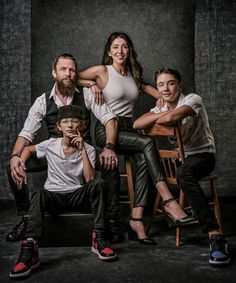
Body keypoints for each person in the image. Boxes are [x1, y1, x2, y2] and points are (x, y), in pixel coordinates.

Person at [78, 32, 192, 245]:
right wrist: (91, 84)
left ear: (129, 50)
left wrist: (165, 105)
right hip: (106, 128)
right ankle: (168, 200)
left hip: (130, 128)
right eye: (115, 47)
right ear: (109, 51)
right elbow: (72, 76)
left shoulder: (133, 75)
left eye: (124, 46)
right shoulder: (102, 71)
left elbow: (161, 94)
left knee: (144, 161)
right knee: (148, 143)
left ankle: (136, 220)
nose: (120, 51)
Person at [7, 53, 124, 243]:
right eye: (63, 69)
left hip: (83, 153)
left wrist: (109, 147)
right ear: (54, 72)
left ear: (76, 74)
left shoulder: (87, 94)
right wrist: (14, 156)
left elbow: (110, 119)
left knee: (110, 161)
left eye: (71, 70)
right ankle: (27, 218)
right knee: (12, 164)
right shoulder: (43, 101)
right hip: (52, 153)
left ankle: (111, 221)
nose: (68, 74)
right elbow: (26, 134)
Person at [133, 67, 230, 265]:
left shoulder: (193, 100)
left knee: (183, 174)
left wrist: (155, 120)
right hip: (178, 160)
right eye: (161, 85)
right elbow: (137, 124)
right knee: (147, 161)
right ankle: (171, 206)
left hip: (202, 155)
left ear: (179, 85)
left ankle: (215, 236)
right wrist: (156, 116)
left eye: (170, 83)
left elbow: (169, 118)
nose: (165, 89)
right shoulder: (160, 107)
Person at [9, 105, 117, 279]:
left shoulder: (87, 149)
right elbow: (29, 149)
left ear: (80, 126)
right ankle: (30, 248)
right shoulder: (51, 144)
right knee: (38, 192)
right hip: (54, 198)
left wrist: (82, 149)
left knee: (98, 184)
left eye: (74, 121)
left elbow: (89, 180)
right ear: (59, 127)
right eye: (65, 122)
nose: (70, 125)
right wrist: (21, 163)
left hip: (77, 196)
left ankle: (99, 237)